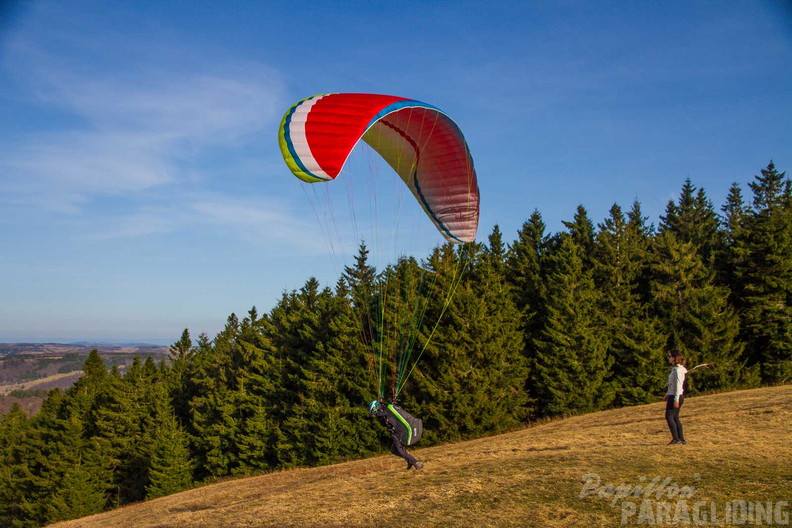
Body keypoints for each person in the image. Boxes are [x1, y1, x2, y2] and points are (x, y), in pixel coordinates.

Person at [369, 400, 424, 470]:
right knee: (393, 450)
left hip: (399, 434)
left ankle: (416, 463)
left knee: (399, 450)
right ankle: (409, 461)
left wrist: (375, 413)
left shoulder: (387, 409)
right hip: (397, 433)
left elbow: (380, 413)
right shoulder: (388, 411)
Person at [663, 349, 688, 445]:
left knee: (669, 417)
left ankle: (676, 439)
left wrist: (676, 399)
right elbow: (671, 385)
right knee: (675, 417)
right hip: (674, 394)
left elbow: (678, 385)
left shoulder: (678, 370)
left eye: (670, 356)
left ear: (674, 358)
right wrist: (668, 394)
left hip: (676, 396)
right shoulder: (676, 369)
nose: (668, 358)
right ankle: (681, 439)